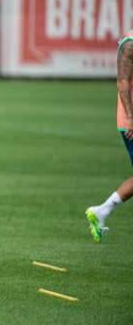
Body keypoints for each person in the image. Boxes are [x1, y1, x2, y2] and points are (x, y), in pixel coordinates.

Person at [86, 30, 133, 242]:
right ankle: (103, 210)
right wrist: (131, 117)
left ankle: (102, 211)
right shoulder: (130, 43)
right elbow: (123, 82)